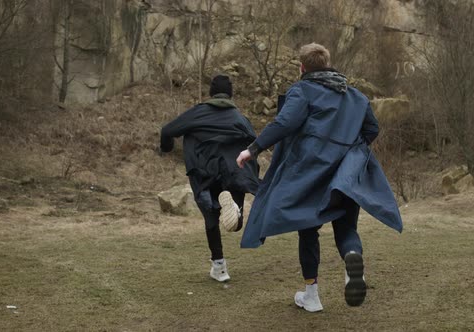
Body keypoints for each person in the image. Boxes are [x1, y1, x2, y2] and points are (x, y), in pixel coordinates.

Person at [236, 43, 403, 312]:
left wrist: (252, 149)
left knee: (308, 229)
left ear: (302, 67)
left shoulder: (302, 90)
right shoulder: (356, 96)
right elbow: (372, 128)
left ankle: (312, 295)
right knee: (346, 226)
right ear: (327, 64)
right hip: (346, 173)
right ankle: (352, 261)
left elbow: (285, 123)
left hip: (311, 170)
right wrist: (348, 147)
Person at [160, 75, 260, 282]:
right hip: (234, 171)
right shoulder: (239, 118)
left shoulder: (198, 113)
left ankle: (219, 266)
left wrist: (166, 148)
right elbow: (255, 143)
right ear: (231, 94)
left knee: (211, 217)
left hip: (206, 172)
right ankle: (237, 213)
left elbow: (167, 130)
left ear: (211, 93)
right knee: (234, 214)